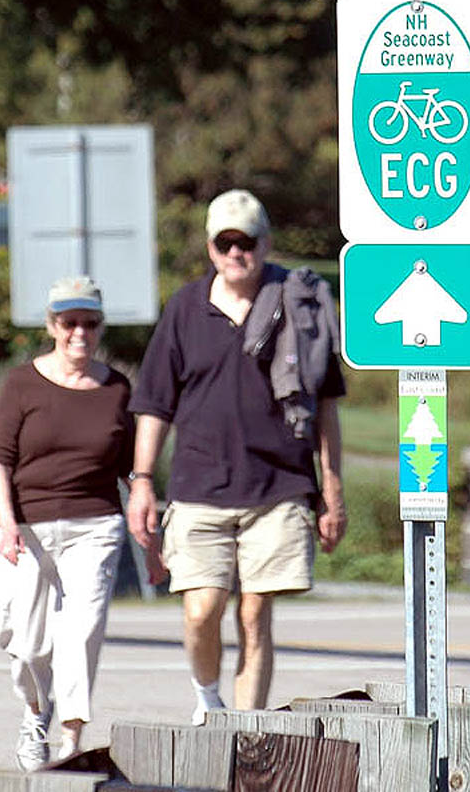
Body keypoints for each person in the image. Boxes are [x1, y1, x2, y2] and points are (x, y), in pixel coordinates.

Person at [127, 188, 347, 724]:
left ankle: (245, 731)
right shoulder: (185, 307)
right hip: (199, 486)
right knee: (202, 608)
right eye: (224, 242)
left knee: (254, 612)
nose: (235, 253)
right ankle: (208, 697)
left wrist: (332, 491)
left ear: (264, 243)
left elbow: (325, 409)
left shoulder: (300, 304)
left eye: (245, 241)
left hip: (278, 486)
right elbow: (154, 404)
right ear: (210, 247)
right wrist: (141, 482)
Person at [0, 276, 134, 770]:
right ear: (52, 325)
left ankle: (70, 740)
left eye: (89, 323)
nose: (79, 332)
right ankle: (35, 713)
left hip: (96, 527)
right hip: (27, 528)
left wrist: (148, 524)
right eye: (69, 322)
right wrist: (6, 523)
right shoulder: (22, 383)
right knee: (23, 642)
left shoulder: (116, 388)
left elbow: (131, 468)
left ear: (100, 327)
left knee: (82, 631)